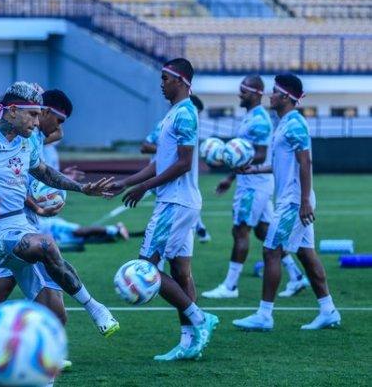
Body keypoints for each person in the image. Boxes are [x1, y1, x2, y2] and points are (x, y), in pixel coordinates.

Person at [0, 81, 119, 355]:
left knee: (57, 315)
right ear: (11, 112)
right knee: (45, 245)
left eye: (39, 114)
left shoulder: (25, 142)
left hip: (21, 228)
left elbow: (44, 172)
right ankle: (95, 307)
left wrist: (82, 188)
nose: (38, 121)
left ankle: (36, 370)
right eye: (32, 114)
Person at [109, 58, 218, 361]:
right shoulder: (174, 114)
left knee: (148, 269)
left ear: (181, 81)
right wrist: (127, 182)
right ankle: (189, 342)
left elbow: (183, 163)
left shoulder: (185, 113)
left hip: (175, 202)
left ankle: (199, 318)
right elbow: (161, 161)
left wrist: (145, 187)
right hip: (180, 201)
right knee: (181, 274)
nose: (161, 83)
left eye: (165, 78)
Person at [233, 74, 341, 331]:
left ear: (285, 97)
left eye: (274, 92)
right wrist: (255, 170)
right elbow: (284, 164)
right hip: (293, 199)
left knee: (271, 251)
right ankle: (328, 310)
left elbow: (305, 162)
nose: (270, 95)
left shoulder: (294, 124)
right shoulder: (283, 123)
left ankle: (264, 315)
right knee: (305, 254)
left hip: (293, 202)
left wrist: (304, 201)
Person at [203, 75, 308, 299]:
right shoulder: (251, 116)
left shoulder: (260, 119)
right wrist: (230, 177)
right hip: (253, 182)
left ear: (257, 93)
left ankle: (230, 286)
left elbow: (259, 153)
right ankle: (297, 275)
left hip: (254, 186)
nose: (240, 93)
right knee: (264, 231)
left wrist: (225, 159)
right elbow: (245, 153)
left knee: (240, 230)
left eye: (245, 90)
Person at [141, 95, 211, 243]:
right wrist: (166, 149)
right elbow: (145, 146)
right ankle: (197, 228)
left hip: (175, 176)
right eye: (196, 113)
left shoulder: (189, 127)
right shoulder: (165, 124)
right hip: (161, 172)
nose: (196, 117)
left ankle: (197, 228)